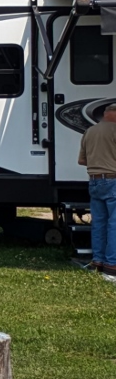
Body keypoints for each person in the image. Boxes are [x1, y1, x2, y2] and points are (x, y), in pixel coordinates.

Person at [79, 103, 116, 278]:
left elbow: (82, 160)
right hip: (113, 180)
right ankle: (111, 266)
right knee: (114, 224)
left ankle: (98, 261)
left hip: (94, 180)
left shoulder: (90, 131)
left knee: (99, 223)